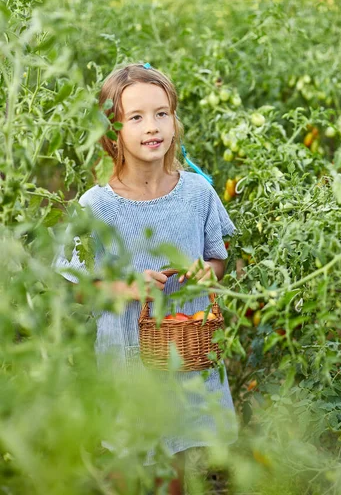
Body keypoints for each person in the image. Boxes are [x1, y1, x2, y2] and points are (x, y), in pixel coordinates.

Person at [53, 62, 238, 494]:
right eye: (135, 117)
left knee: (174, 461)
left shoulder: (197, 193)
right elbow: (75, 282)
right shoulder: (97, 206)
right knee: (129, 461)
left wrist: (203, 274)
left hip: (187, 351)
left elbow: (218, 258)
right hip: (129, 357)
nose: (152, 127)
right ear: (112, 130)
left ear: (175, 120)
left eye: (161, 113)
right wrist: (128, 288)